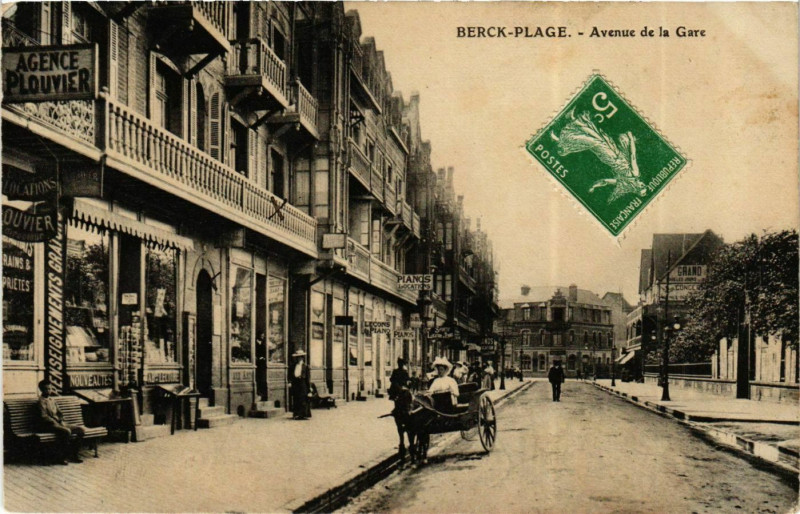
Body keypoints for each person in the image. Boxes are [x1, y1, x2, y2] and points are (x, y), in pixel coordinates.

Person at [37, 379, 85, 464]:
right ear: (41, 390)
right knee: (66, 431)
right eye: (46, 389)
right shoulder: (41, 401)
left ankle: (74, 455)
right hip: (48, 425)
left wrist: (61, 420)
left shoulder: (52, 400)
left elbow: (59, 412)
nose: (48, 391)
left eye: (50, 388)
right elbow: (43, 416)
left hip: (59, 423)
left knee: (80, 430)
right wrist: (56, 422)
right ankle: (61, 457)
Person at [290, 350, 311, 419]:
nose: (298, 359)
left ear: (302, 358)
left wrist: (309, 388)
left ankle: (303, 414)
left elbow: (308, 378)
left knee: (303, 399)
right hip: (295, 383)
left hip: (303, 384)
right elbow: (291, 375)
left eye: (299, 357)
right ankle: (296, 414)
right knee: (296, 398)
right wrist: (290, 382)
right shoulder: (293, 366)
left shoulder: (305, 366)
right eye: (297, 357)